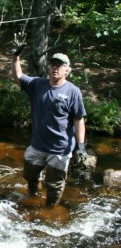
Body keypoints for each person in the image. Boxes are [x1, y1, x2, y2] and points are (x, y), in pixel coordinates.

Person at [10, 34, 87, 206]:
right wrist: (15, 57)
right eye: (53, 64)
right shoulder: (38, 85)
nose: (55, 68)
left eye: (60, 65)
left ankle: (50, 211)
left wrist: (81, 147)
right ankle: (32, 198)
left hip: (59, 149)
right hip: (37, 145)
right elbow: (17, 77)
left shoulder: (73, 91)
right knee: (30, 176)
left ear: (67, 70)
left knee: (54, 185)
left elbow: (78, 119)